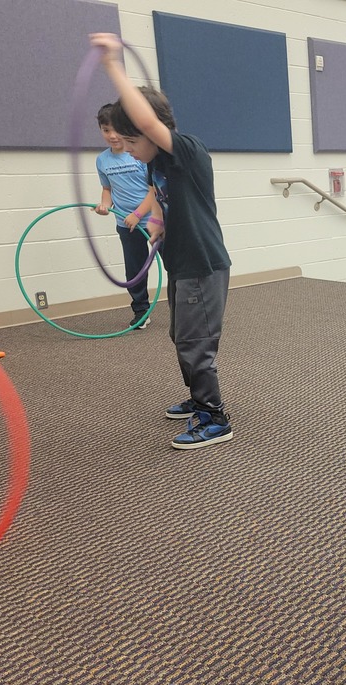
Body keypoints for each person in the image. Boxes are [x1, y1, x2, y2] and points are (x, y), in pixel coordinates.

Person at [90, 32, 234, 450]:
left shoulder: (185, 150)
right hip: (181, 263)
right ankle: (198, 398)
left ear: (154, 133)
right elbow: (159, 195)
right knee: (180, 336)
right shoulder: (158, 166)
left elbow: (149, 123)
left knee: (195, 343)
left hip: (202, 266)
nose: (128, 151)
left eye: (131, 141)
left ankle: (215, 417)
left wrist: (112, 65)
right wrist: (155, 219)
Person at [95, 103, 155, 329]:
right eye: (105, 130)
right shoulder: (102, 160)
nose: (111, 135)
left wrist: (138, 214)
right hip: (126, 224)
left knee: (173, 263)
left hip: (153, 220)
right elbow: (107, 189)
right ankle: (141, 311)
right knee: (134, 269)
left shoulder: (139, 154)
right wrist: (104, 205)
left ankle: (182, 309)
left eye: (116, 129)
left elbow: (154, 190)